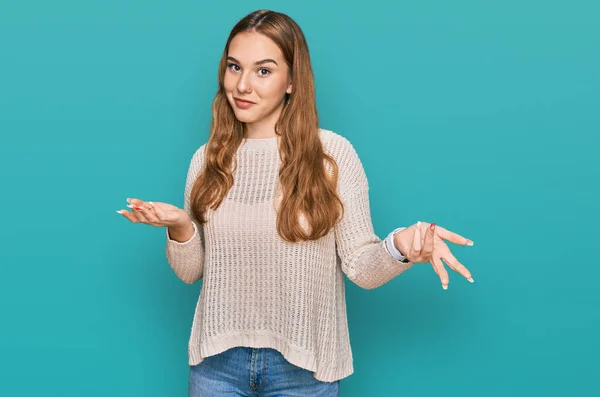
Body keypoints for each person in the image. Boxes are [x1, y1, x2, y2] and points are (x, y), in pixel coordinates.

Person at [117, 9, 475, 397]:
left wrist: (401, 246)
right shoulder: (207, 160)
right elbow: (192, 273)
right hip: (216, 367)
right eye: (235, 67)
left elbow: (362, 268)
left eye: (264, 71)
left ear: (292, 80)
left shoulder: (332, 155)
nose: (243, 85)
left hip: (304, 371)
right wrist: (180, 227)